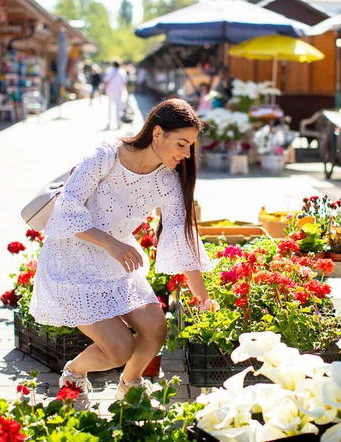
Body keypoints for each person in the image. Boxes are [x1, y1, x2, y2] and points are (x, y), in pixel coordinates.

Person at [29, 99, 214, 410]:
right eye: (182, 143)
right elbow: (66, 209)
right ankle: (74, 375)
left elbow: (181, 237)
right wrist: (111, 243)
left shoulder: (166, 180)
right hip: (70, 262)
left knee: (156, 326)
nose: (186, 154)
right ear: (158, 133)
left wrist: (204, 299)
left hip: (113, 265)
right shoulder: (105, 156)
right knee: (119, 348)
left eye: (190, 147)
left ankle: (129, 388)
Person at [103, 60, 128, 130]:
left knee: (109, 108)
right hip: (119, 91)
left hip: (110, 91)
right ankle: (118, 123)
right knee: (118, 107)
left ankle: (109, 123)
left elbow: (105, 80)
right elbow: (125, 82)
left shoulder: (109, 71)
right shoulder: (122, 72)